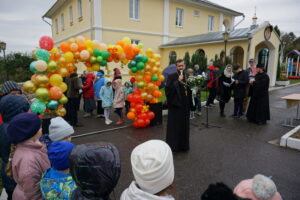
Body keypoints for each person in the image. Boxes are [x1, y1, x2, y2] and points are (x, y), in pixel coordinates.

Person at [7, 113, 50, 200]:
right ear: (31, 133)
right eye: (39, 127)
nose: (41, 128)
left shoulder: (31, 146)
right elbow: (33, 195)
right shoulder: (28, 163)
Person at [0, 95, 29, 200]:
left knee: (10, 194)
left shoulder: (2, 127)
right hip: (17, 172)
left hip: (6, 169)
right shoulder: (16, 130)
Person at [165, 59, 191, 152]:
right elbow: (167, 90)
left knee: (184, 125)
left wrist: (194, 89)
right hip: (176, 105)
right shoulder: (172, 76)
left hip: (185, 104)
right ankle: (174, 146)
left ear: (185, 66)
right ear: (176, 67)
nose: (181, 67)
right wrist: (177, 82)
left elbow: (188, 88)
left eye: (182, 65)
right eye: (179, 66)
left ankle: (184, 146)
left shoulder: (187, 75)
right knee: (175, 126)